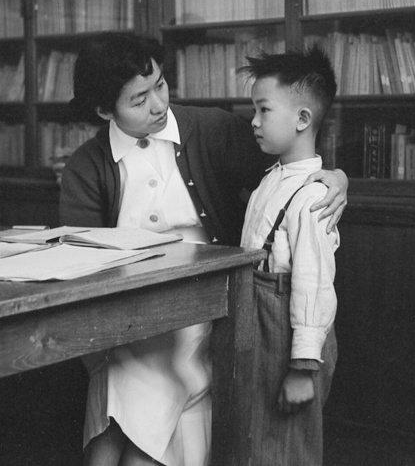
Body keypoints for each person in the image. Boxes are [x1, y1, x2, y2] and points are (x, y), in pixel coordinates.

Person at [59, 32, 347, 466]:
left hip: (210, 312)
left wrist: (337, 177)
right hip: (128, 317)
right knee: (119, 379)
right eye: (139, 100)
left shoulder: (212, 129)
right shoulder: (87, 166)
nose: (158, 104)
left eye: (159, 85)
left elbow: (293, 152)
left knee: (130, 412)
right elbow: (82, 265)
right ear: (104, 111)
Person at [237, 44, 340, 466]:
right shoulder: (272, 178)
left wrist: (302, 368)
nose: (254, 122)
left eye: (264, 111)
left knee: (287, 446)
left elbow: (314, 285)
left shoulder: (314, 196)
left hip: (289, 333)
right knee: (260, 441)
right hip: (258, 322)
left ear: (302, 119)